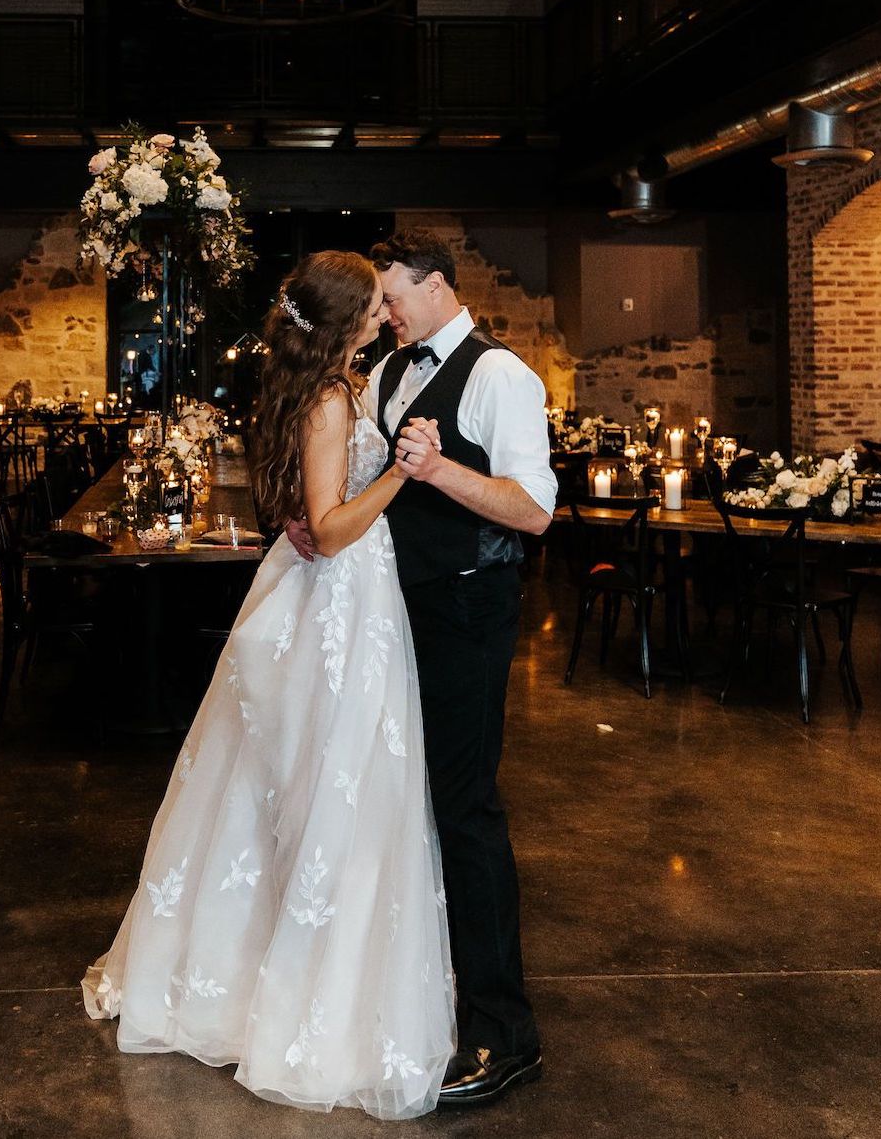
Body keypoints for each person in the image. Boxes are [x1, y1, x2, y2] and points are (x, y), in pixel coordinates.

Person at [81, 251, 456, 1119]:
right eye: (371, 305)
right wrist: (402, 471)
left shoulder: (335, 385)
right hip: (334, 605)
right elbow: (326, 531)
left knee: (308, 789)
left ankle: (306, 963)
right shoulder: (328, 399)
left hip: (347, 604)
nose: (382, 313)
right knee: (330, 789)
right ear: (342, 320)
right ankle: (306, 988)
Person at [366, 227, 556, 1107]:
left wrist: (439, 468)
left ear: (439, 285)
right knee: (405, 803)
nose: (385, 310)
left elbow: (532, 510)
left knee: (466, 805)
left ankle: (503, 1029)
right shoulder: (388, 373)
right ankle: (420, 991)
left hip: (470, 611)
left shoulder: (500, 376)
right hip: (392, 610)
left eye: (394, 294)